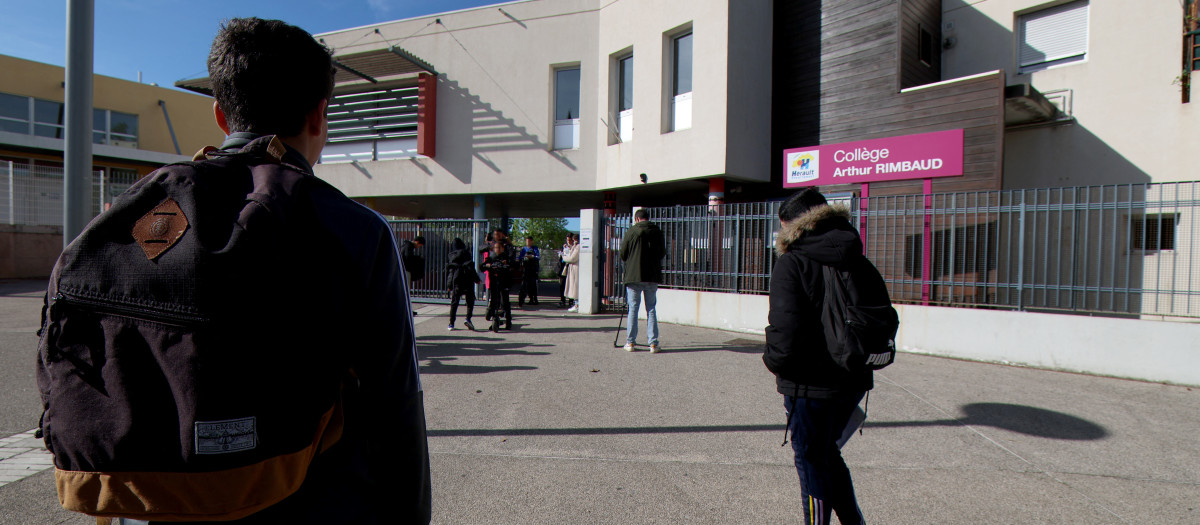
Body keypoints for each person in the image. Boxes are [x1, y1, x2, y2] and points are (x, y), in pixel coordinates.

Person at [38, 18, 431, 524]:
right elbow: (395, 407)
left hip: (153, 504)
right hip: (311, 500)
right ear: (319, 116)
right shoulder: (355, 230)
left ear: (221, 115)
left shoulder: (138, 217)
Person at [763, 187, 882, 525]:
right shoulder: (857, 257)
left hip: (808, 386)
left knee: (812, 461)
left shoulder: (792, 263)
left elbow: (784, 332)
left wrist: (774, 362)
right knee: (827, 454)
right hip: (853, 377)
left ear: (791, 225)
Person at [619, 209, 666, 353]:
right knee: (651, 308)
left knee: (633, 308)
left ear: (637, 219)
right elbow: (662, 253)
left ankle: (630, 342)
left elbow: (623, 253)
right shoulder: (657, 231)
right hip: (652, 275)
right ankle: (653, 343)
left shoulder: (632, 231)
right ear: (647, 218)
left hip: (634, 275)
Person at [479, 241, 515, 331]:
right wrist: (487, 266)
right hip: (494, 282)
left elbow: (513, 265)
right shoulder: (492, 257)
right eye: (495, 248)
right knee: (494, 302)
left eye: (499, 248)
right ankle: (495, 320)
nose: (497, 249)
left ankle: (508, 322)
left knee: (505, 303)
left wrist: (507, 265)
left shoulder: (506, 257)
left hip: (504, 283)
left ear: (502, 248)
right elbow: (482, 266)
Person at [446, 237, 479, 331]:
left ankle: (451, 323)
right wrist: (476, 279)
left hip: (457, 279)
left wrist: (449, 285)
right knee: (470, 301)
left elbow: (451, 272)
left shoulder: (451, 256)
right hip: (468, 279)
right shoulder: (466, 253)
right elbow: (471, 268)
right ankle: (468, 318)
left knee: (454, 302)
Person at [518, 236, 541, 307]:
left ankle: (534, 299)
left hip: (533, 269)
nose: (528, 242)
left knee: (533, 284)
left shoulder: (535, 248)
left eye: (529, 241)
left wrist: (532, 257)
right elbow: (520, 257)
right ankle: (529, 298)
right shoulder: (524, 249)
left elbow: (538, 257)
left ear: (531, 241)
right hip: (526, 269)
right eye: (527, 241)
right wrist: (524, 257)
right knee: (526, 284)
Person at [562, 233, 581, 312]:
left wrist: (564, 256)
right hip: (573, 269)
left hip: (575, 269)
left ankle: (577, 305)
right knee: (574, 287)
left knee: (575, 287)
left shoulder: (578, 247)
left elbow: (572, 258)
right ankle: (576, 304)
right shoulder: (575, 247)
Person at [557, 234, 571, 307]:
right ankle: (562, 300)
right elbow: (560, 258)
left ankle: (571, 301)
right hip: (563, 268)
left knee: (570, 285)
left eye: (570, 240)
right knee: (562, 285)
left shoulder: (574, 247)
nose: (568, 242)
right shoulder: (563, 247)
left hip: (570, 268)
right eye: (567, 240)